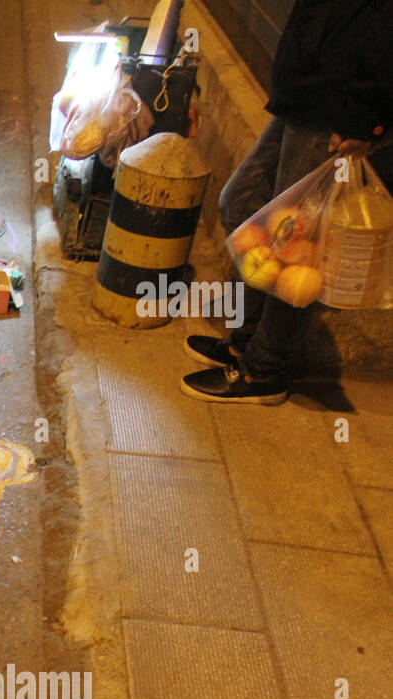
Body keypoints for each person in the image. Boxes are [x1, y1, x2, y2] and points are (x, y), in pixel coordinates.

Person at [181, 0, 393, 404]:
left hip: (337, 110)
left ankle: (265, 370)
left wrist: (369, 120)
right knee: (240, 204)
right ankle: (245, 340)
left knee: (295, 252)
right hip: (305, 96)